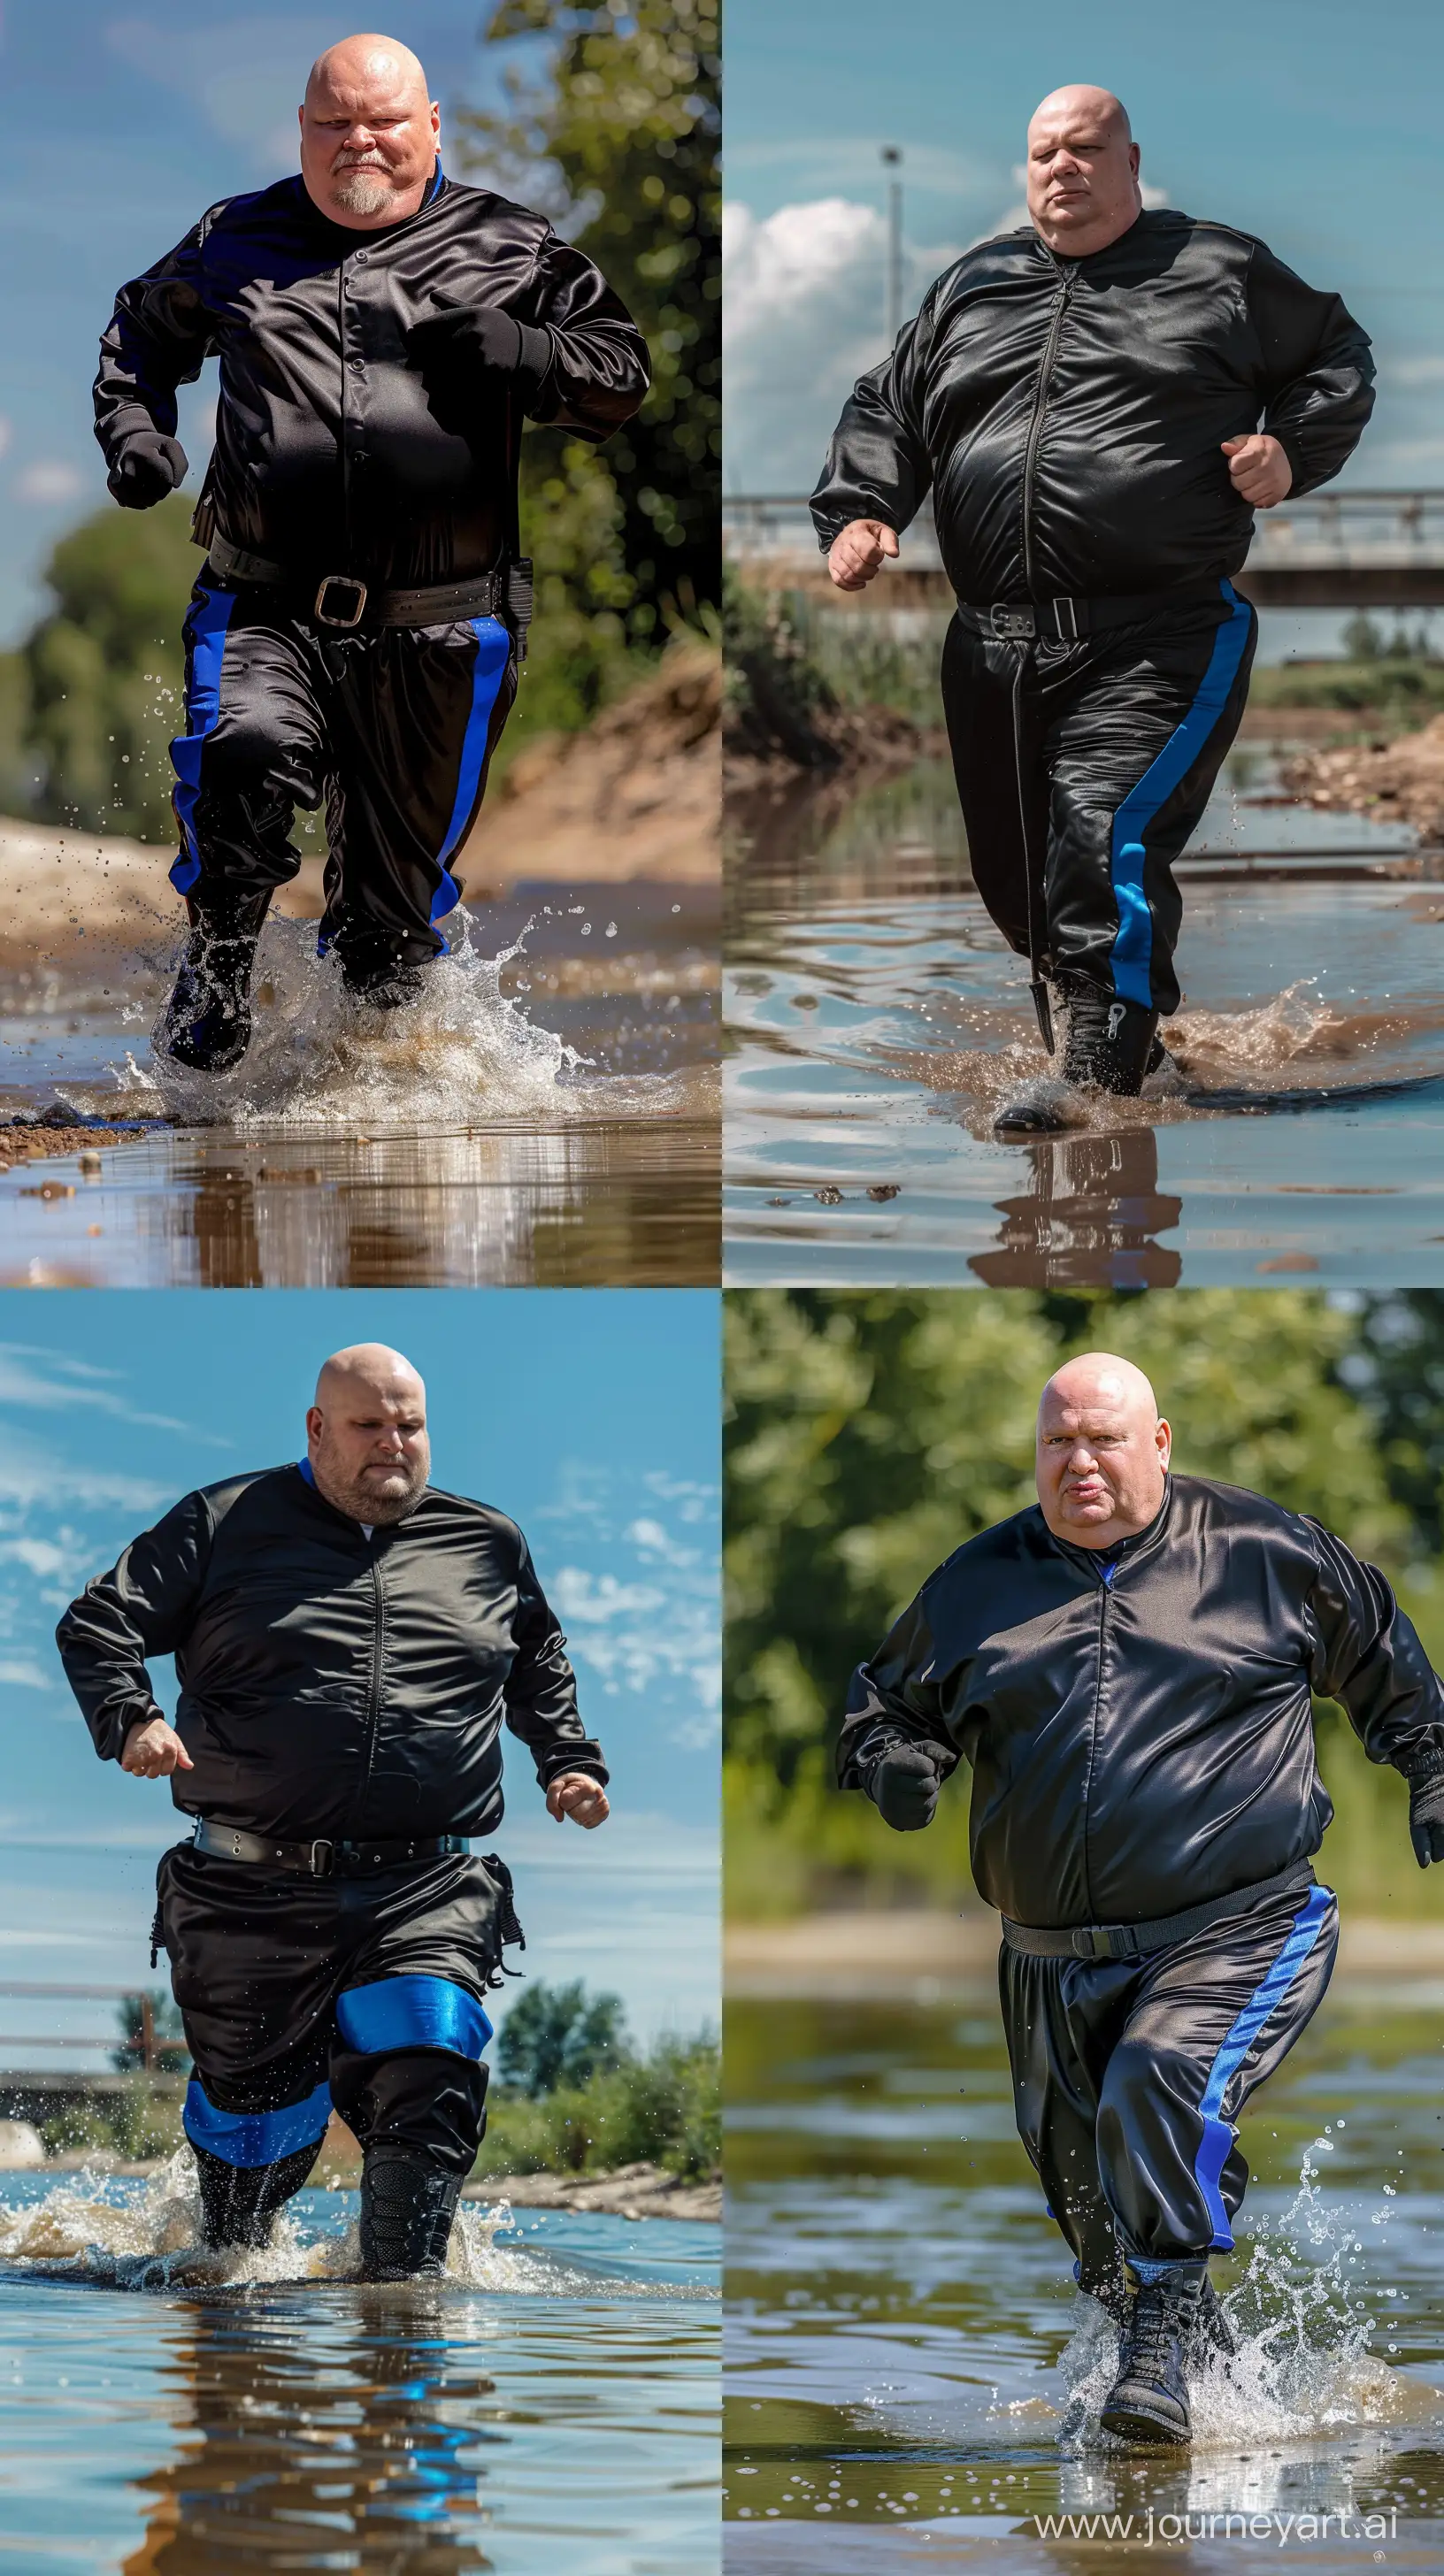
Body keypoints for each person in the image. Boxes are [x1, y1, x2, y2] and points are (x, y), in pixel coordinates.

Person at [837, 1353, 1444, 2444]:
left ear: (1158, 1442)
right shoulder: (977, 1581)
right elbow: (882, 1705)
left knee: (1159, 2078)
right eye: (1057, 1442)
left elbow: (1388, 1664)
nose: (1079, 1462)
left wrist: (1434, 1764)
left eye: (1104, 1438)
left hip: (1243, 1922)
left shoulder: (1268, 1553)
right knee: (1097, 2223)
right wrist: (888, 1759)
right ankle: (1197, 2402)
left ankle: (1158, 2363)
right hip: (1046, 1958)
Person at [811, 87, 1374, 1123]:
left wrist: (1291, 451)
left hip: (1160, 630)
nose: (1062, 167)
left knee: (1101, 828)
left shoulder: (1219, 268)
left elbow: (1337, 358)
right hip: (992, 646)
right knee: (1020, 883)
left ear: (1131, 160)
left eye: (1085, 148)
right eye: (1043, 153)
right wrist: (861, 509)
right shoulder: (973, 285)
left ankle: (1092, 1092)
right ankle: (1133, 1054)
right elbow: (887, 406)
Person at [94, 33, 649, 1072]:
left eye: (383, 121)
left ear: (431, 126)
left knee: (385, 955)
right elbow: (137, 340)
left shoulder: (513, 243)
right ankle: (217, 966)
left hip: (445, 629)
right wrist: (134, 436)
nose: (361, 141)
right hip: (262, 605)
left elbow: (621, 375)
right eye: (333, 122)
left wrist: (530, 354)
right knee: (241, 756)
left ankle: (371, 1124)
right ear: (302, 132)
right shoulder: (234, 237)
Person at [56, 1342, 611, 2280]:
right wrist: (132, 1718)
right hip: (247, 1888)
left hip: (423, 1883)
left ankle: (401, 2338)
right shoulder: (224, 1520)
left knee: (432, 2058)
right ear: (317, 1429)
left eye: (411, 1424)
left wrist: (568, 1760)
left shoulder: (486, 1539)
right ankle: (232, 2338)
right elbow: (99, 1621)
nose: (394, 1443)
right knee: (245, 2181)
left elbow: (537, 1657)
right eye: (370, 1424)